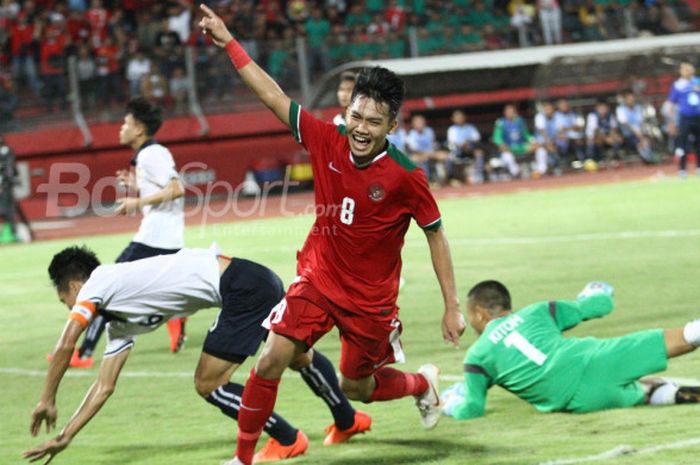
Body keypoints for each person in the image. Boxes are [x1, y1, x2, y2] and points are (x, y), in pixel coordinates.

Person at [198, 6, 465, 465]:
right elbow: (273, 96)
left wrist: (452, 305)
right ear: (348, 111)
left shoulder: (405, 177)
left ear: (392, 127)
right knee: (269, 360)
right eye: (356, 116)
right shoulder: (326, 139)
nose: (361, 128)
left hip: (370, 303)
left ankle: (422, 383)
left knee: (356, 388)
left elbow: (435, 235)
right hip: (318, 280)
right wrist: (229, 43)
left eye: (374, 122)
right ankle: (243, 460)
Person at [25, 245, 371, 464]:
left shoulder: (99, 281)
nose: (68, 307)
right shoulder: (120, 322)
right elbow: (103, 387)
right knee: (298, 358)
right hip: (252, 278)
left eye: (64, 300)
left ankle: (286, 439)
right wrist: (65, 435)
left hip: (242, 288)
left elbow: (66, 344)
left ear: (73, 286)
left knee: (209, 383)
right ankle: (347, 420)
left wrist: (47, 399)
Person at [441, 280, 700, 421]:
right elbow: (598, 307)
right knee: (682, 336)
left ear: (479, 312)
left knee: (646, 389)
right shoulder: (538, 311)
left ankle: (660, 393)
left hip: (579, 402)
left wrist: (450, 404)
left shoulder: (477, 356)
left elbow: (472, 409)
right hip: (594, 359)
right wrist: (598, 290)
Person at [66, 98, 187, 368]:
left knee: (103, 287)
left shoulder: (151, 154)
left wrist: (136, 202)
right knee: (139, 292)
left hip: (153, 239)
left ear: (139, 130)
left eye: (126, 123)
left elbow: (177, 189)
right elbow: (166, 189)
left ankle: (84, 354)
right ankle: (176, 314)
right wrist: (137, 185)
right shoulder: (149, 155)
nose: (121, 128)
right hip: (165, 239)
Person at [667, 61, 700, 177]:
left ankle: (699, 168)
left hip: (698, 117)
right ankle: (682, 169)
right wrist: (671, 121)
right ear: (681, 71)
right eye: (684, 68)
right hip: (685, 118)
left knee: (698, 144)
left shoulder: (697, 81)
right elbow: (670, 104)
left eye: (689, 68)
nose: (687, 70)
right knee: (682, 144)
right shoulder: (677, 85)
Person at [492, 104, 537, 179]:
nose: (510, 113)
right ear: (505, 113)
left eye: (512, 111)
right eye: (508, 111)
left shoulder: (520, 121)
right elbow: (496, 138)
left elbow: (526, 134)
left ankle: (539, 170)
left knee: (538, 148)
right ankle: (516, 173)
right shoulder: (501, 123)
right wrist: (501, 144)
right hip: (508, 147)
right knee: (507, 155)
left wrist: (533, 141)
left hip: (520, 146)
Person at [446, 109, 486, 184]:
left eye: (461, 117)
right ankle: (451, 178)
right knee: (448, 158)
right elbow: (453, 143)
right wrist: (463, 144)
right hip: (458, 151)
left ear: (464, 117)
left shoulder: (470, 127)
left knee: (479, 152)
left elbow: (477, 139)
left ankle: (479, 175)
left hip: (470, 150)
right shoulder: (452, 129)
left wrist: (468, 142)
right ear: (453, 119)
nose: (459, 119)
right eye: (457, 117)